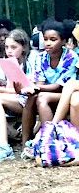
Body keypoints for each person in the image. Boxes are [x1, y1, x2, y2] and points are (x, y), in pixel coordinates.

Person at [19, 19, 78, 159]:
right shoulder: (40, 57)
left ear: (63, 41)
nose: (48, 43)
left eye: (53, 39)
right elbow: (40, 82)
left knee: (41, 97)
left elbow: (59, 86)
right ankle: (25, 143)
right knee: (32, 97)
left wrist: (36, 87)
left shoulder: (71, 57)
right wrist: (32, 88)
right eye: (45, 39)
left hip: (64, 94)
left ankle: (49, 140)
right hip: (47, 92)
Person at [0, 29, 37, 163]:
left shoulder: (32, 60)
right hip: (18, 98)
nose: (9, 51)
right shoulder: (11, 62)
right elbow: (12, 88)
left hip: (29, 99)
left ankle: (4, 147)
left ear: (23, 48)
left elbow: (26, 89)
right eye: (7, 47)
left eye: (13, 47)